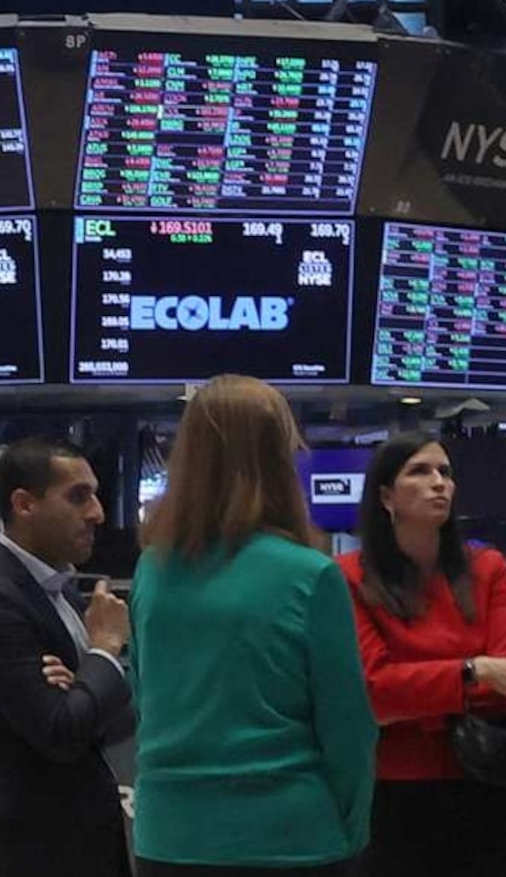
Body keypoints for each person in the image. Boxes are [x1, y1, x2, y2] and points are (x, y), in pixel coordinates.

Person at [131, 376, 380, 877]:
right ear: (277, 459)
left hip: (168, 836)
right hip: (290, 836)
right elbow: (347, 728)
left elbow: (144, 697)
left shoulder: (151, 571)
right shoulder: (311, 575)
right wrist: (349, 833)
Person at [0, 436, 135, 877]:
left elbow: (118, 720)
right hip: (25, 854)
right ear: (24, 504)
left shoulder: (59, 591)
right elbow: (62, 732)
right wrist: (103, 652)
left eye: (96, 495)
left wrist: (83, 685)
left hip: (83, 848)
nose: (98, 513)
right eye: (78, 497)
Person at [340, 433, 506, 877]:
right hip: (394, 797)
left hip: (487, 788)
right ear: (386, 496)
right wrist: (473, 671)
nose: (438, 483)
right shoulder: (348, 578)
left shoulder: (486, 569)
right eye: (420, 471)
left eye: (445, 472)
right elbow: (373, 693)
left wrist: (415, 696)